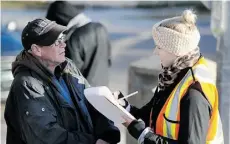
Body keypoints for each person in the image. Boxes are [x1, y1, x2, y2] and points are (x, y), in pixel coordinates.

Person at [114, 10, 224, 144]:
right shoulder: (174, 75)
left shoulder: (194, 92)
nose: (155, 52)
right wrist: (125, 108)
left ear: (175, 51)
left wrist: (144, 135)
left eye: (159, 47)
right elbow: (152, 115)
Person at [4, 18, 120, 144]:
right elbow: (46, 136)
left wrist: (108, 132)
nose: (63, 44)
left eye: (63, 38)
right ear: (37, 50)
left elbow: (93, 102)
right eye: (56, 41)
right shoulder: (26, 84)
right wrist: (93, 142)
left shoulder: (68, 66)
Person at [46, 1, 111, 87]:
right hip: (103, 89)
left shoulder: (74, 38)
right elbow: (108, 60)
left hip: (85, 95)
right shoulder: (100, 27)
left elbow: (70, 75)